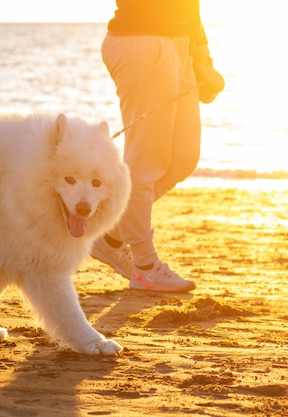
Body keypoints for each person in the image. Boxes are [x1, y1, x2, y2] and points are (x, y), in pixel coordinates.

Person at [93, 0, 224, 292]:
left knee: (183, 157)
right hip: (142, 39)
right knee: (145, 163)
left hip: (181, 44)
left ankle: (111, 235)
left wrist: (203, 60)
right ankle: (145, 267)